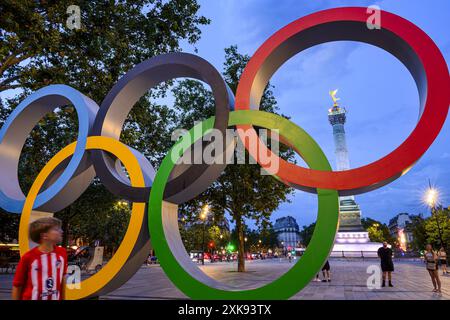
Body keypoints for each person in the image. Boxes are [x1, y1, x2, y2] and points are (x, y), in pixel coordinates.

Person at [12, 217, 68, 300]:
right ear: (44, 235)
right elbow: (17, 286)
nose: (61, 231)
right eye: (56, 229)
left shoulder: (62, 253)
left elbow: (62, 279)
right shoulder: (29, 257)